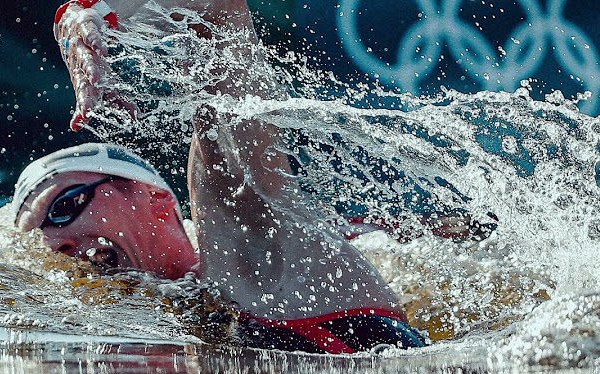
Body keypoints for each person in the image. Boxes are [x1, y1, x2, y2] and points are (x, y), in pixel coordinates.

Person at [44, 0, 435, 354]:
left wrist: (90, 13)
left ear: (154, 198)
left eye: (64, 207)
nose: (54, 241)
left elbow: (220, 13)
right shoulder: (181, 320)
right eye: (37, 236)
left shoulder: (256, 247)